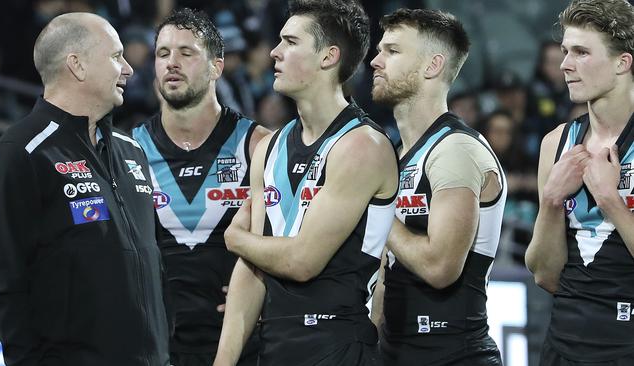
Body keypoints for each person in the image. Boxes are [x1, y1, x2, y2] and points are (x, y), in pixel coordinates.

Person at [213, 0, 399, 365]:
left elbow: (303, 262)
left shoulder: (362, 146)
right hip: (275, 346)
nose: (274, 52)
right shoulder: (269, 147)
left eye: (290, 42)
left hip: (338, 346)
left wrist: (236, 239)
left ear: (328, 57)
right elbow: (252, 272)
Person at [0, 12, 169, 366]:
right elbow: (1, 286)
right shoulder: (19, 155)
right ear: (77, 65)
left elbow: (154, 263)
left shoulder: (133, 151)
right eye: (116, 57)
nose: (129, 69)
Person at [132, 8, 268, 366]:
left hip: (244, 344)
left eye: (186, 53)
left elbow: (291, 241)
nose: (171, 63)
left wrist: (272, 298)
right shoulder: (129, 151)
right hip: (157, 346)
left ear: (216, 67)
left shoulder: (259, 145)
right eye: (163, 54)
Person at [369, 8, 506, 365]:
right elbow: (388, 266)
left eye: (392, 51)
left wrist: (374, 206)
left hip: (454, 356)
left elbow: (440, 267)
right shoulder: (399, 153)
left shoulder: (455, 149)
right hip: (397, 352)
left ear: (432, 66)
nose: (375, 61)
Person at [525, 0, 634, 364]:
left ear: (623, 62)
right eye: (565, 52)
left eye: (582, 52)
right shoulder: (556, 143)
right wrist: (551, 202)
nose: (565, 65)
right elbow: (543, 273)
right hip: (563, 344)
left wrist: (610, 200)